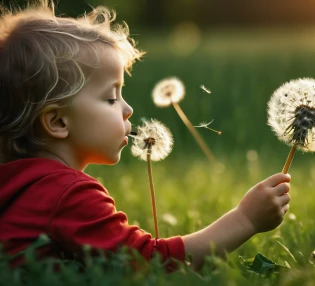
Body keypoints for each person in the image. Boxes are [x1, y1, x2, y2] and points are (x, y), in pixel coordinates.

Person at [0, 1, 291, 271]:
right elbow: (150, 264)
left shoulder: (18, 185)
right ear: (58, 121)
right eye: (111, 98)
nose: (127, 109)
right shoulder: (68, 193)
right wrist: (245, 218)